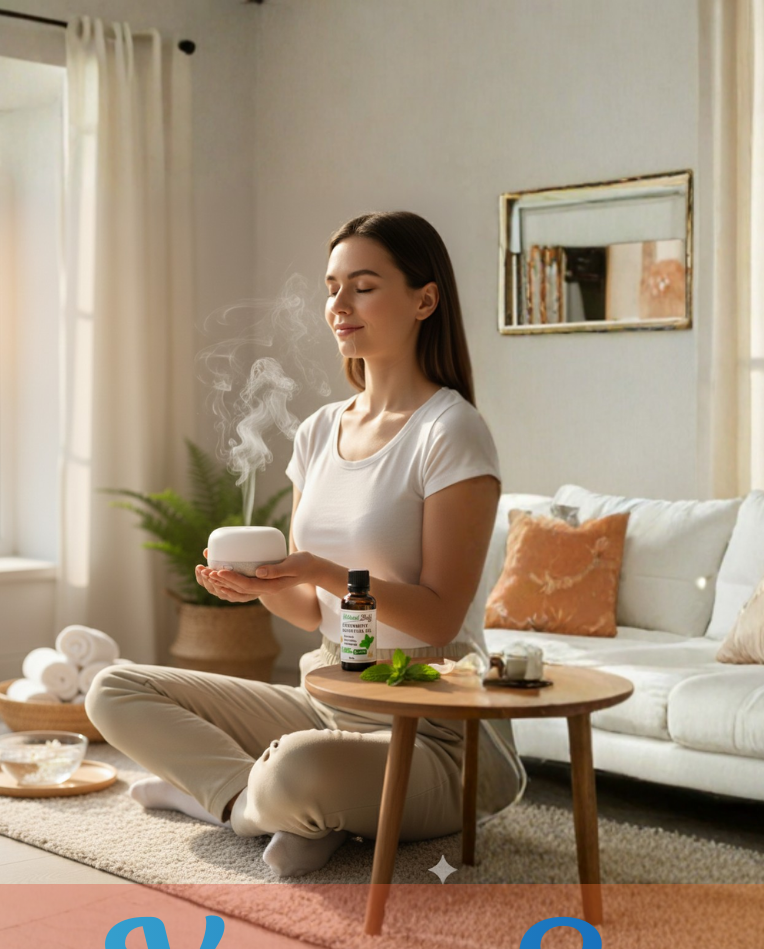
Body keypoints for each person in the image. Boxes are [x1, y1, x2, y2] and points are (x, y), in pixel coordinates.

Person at [86, 211, 520, 877]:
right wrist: (261, 589)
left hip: (432, 730)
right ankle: (262, 806)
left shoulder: (451, 432)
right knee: (113, 688)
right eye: (331, 287)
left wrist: (324, 569)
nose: (338, 306)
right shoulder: (319, 431)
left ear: (424, 300)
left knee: (300, 763)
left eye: (364, 286)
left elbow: (438, 616)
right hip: (327, 698)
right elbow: (305, 608)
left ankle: (238, 799)